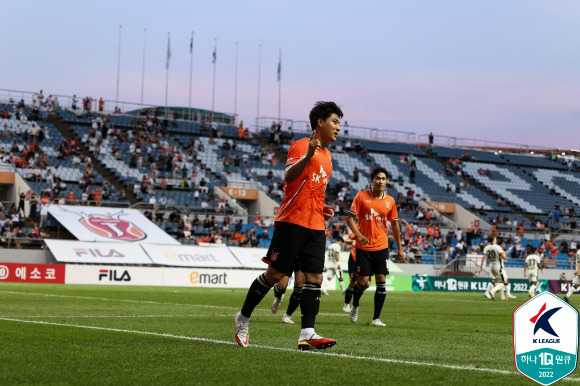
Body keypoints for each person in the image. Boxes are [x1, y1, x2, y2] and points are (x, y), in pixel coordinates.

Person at [234, 101, 343, 350]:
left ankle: (307, 333)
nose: (338, 127)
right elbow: (289, 177)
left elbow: (314, 190)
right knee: (274, 275)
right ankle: (242, 317)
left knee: (314, 277)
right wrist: (308, 155)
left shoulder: (329, 157)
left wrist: (323, 207)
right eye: (335, 122)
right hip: (291, 221)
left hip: (316, 224)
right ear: (320, 122)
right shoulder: (301, 146)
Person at [346, 167, 405, 327]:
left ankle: (376, 318)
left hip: (381, 246)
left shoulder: (390, 201)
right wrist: (358, 235)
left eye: (383, 179)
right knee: (363, 283)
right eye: (378, 178)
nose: (381, 181)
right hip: (363, 247)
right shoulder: (361, 196)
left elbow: (394, 225)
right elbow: (350, 218)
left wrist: (400, 248)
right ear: (372, 180)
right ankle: (355, 305)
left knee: (381, 279)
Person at [477, 236, 516, 300]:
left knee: (497, 280)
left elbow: (483, 258)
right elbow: (503, 256)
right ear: (494, 239)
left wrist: (481, 267)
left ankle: (501, 296)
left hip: (491, 266)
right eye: (495, 238)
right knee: (504, 282)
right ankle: (493, 291)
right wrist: (506, 258)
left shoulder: (486, 247)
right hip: (498, 266)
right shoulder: (497, 247)